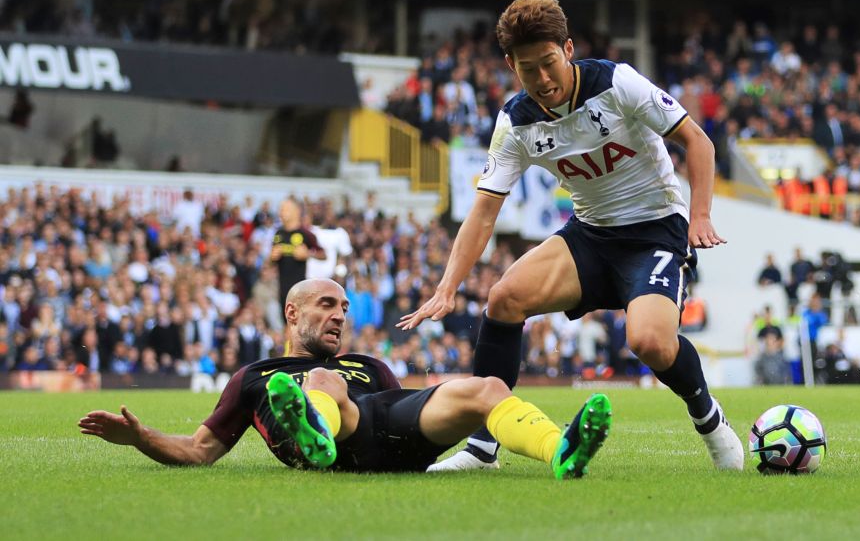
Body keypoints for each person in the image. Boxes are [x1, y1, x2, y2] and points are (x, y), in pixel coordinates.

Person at [397, 0, 742, 472]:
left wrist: (700, 215)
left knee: (649, 342)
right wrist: (447, 288)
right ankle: (481, 448)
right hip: (590, 236)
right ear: (509, 65)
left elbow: (697, 141)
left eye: (548, 63)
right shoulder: (516, 122)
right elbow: (482, 213)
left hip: (655, 231)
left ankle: (709, 419)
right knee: (503, 298)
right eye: (527, 69)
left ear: (569, 49)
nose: (542, 80)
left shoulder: (616, 83)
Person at [78, 279, 611, 479]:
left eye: (345, 308)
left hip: (385, 432)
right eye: (326, 305)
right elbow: (199, 450)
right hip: (340, 437)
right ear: (292, 314)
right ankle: (314, 430)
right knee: (324, 381)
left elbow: (394, 405)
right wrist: (141, 438)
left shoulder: (368, 365)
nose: (340, 315)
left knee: (487, 389)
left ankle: (560, 448)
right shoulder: (253, 377)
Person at [271, 198, 322, 346]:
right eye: (281, 209)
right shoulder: (278, 233)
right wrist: (271, 257)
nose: (281, 212)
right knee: (285, 324)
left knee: (296, 324)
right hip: (281, 287)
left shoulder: (305, 234)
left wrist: (308, 254)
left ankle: (294, 356)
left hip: (300, 289)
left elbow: (323, 254)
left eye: (285, 209)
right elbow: (270, 262)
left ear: (296, 212)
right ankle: (288, 354)